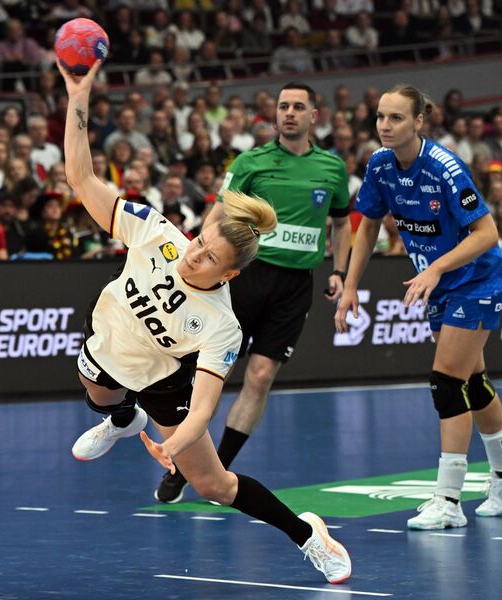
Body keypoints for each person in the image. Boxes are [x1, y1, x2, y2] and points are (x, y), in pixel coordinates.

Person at [59, 60, 351, 585]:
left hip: (162, 377)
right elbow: (81, 177)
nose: (193, 256)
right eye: (199, 243)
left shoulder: (222, 325)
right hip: (108, 334)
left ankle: (308, 535)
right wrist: (78, 96)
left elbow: (203, 409)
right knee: (97, 391)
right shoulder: (156, 232)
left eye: (209, 258)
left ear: (230, 274)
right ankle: (123, 420)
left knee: (214, 486)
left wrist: (172, 447)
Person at [335, 84, 502, 530]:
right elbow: (368, 226)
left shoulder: (445, 167)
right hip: (441, 283)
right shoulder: (380, 164)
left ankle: (448, 500)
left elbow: (487, 234)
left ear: (419, 121)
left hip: (476, 278)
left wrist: (436, 269)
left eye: (396, 118)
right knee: (472, 380)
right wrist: (350, 285)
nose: (385, 125)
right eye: (381, 117)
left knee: (446, 382)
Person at [156, 82, 351, 505]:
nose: (289, 113)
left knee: (260, 377)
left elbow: (341, 223)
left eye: (298, 106)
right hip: (247, 277)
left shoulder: (332, 168)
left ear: (314, 116)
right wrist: (199, 259)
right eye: (283, 106)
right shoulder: (251, 162)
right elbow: (218, 214)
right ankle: (183, 463)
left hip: (295, 285)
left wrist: (340, 270)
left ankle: (218, 471)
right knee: (210, 373)